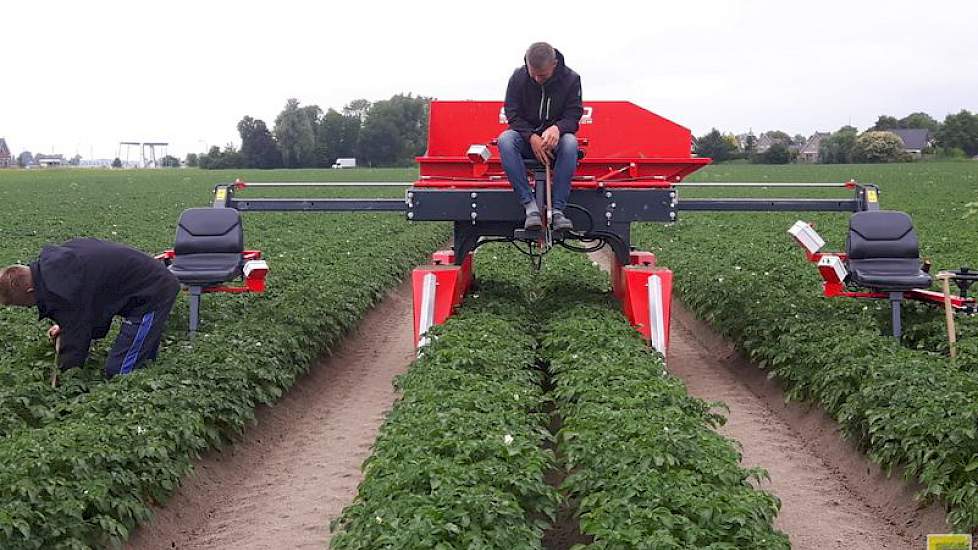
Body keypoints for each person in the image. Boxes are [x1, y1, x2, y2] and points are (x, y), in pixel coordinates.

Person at [0, 238, 181, 379]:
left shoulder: (63, 292)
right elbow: (90, 307)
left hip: (152, 293)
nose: (27, 306)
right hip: (139, 287)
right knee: (141, 360)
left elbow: (77, 339)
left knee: (120, 373)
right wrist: (66, 325)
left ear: (30, 290)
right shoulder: (55, 267)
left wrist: (66, 377)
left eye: (22, 303)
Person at [498, 42, 583, 231]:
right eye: (532, 73)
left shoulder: (571, 80)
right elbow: (512, 114)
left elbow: (574, 115)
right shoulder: (518, 78)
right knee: (505, 140)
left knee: (570, 142)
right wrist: (531, 138)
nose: (537, 79)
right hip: (526, 140)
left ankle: (558, 210)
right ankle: (530, 207)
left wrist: (558, 128)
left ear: (554, 64)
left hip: (555, 141)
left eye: (542, 75)